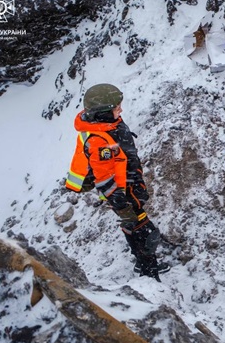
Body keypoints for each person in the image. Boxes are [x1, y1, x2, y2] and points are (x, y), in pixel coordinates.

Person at [65, 83, 169, 281]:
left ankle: (143, 263)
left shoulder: (109, 124)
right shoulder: (98, 142)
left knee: (136, 229)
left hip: (130, 185)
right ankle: (149, 272)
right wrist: (122, 205)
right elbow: (104, 179)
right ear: (102, 113)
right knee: (145, 233)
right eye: (116, 107)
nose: (120, 109)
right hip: (123, 194)